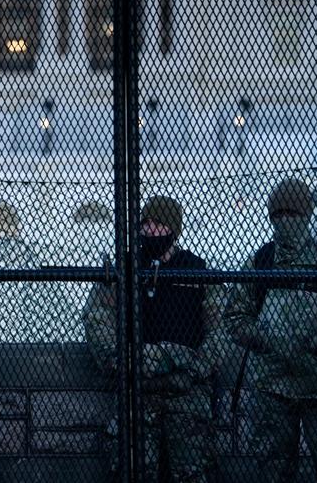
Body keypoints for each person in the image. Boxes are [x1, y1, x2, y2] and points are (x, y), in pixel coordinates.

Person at [223, 177, 317, 482]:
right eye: (279, 215)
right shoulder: (261, 262)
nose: (285, 221)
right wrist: (266, 335)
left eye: (293, 215)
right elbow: (235, 317)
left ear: (306, 217)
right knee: (274, 472)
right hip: (272, 387)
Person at [82, 195, 224, 482]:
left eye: (157, 223)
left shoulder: (196, 270)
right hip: (137, 390)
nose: (148, 229)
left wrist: (193, 366)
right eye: (144, 223)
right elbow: (97, 318)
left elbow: (220, 330)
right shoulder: (125, 268)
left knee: (192, 472)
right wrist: (121, 360)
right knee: (133, 470)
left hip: (187, 391)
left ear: (173, 228)